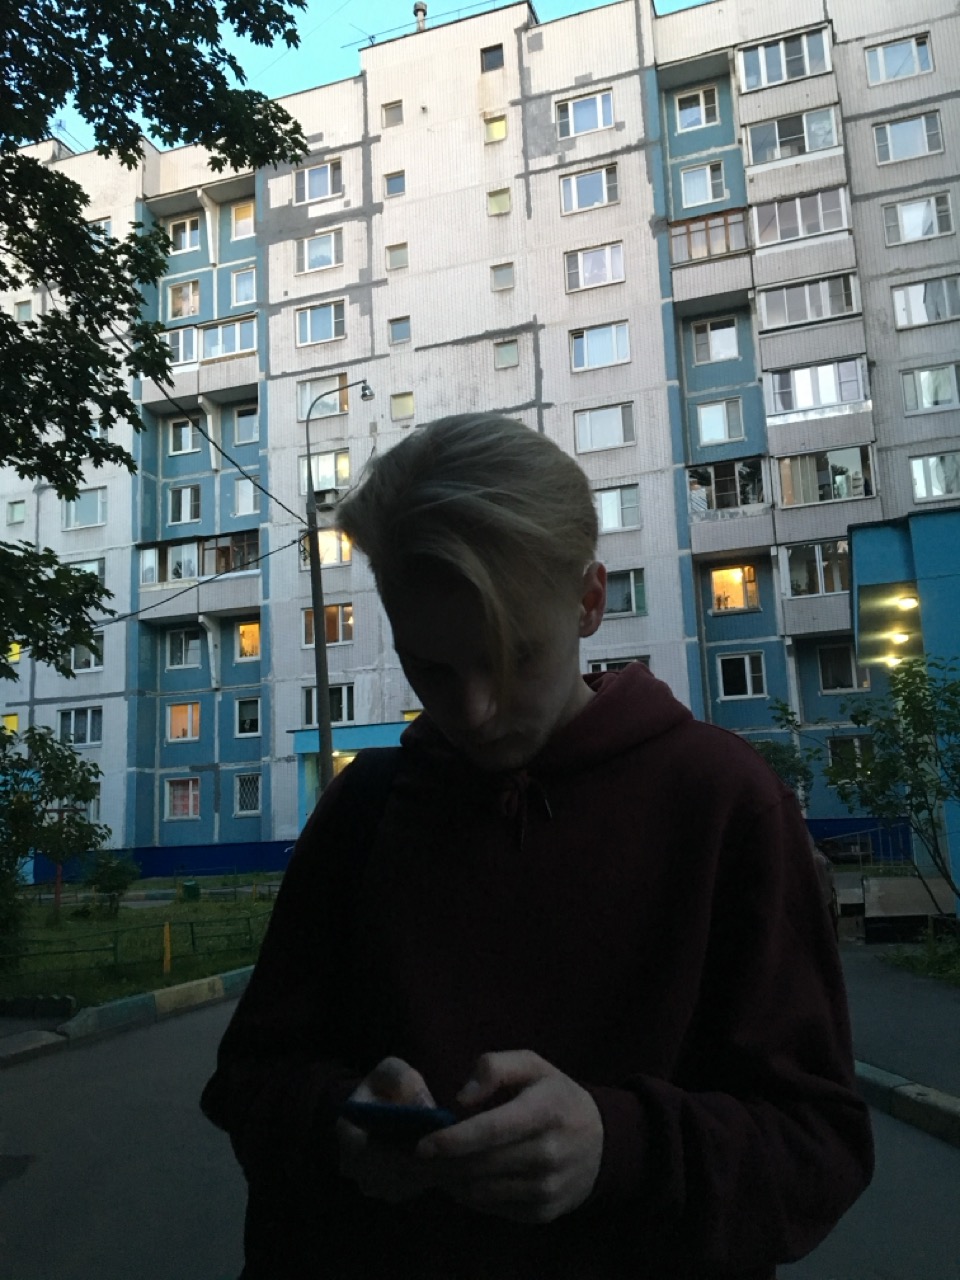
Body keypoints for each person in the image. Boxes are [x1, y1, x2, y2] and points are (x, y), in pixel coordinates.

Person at [201, 413, 873, 1280]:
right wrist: (338, 1122)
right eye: (431, 667)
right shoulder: (365, 808)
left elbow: (819, 1147)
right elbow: (249, 1080)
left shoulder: (722, 804)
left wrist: (616, 1148)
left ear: (590, 601)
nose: (474, 710)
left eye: (514, 658)